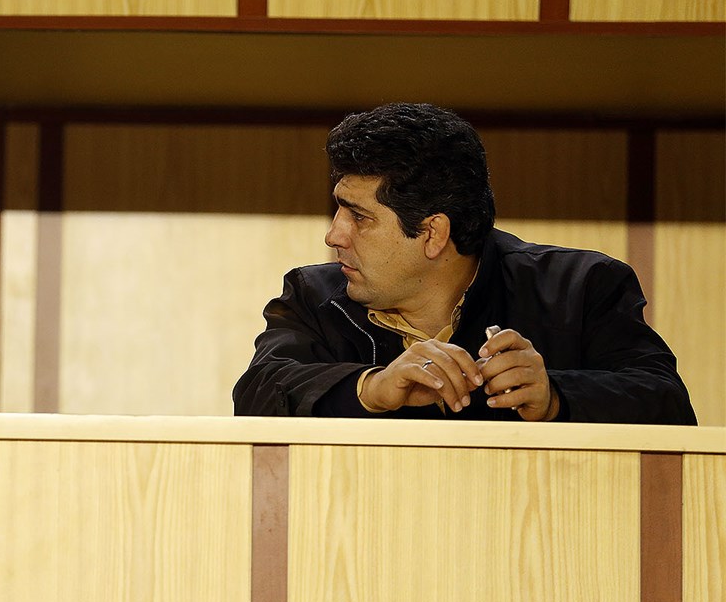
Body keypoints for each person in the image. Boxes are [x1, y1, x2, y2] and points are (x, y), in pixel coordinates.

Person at [233, 103, 696, 425]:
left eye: (359, 217)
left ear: (433, 233)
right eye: (338, 210)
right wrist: (372, 388)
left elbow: (667, 404)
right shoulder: (312, 296)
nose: (334, 235)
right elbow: (256, 394)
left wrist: (555, 396)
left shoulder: (581, 288)